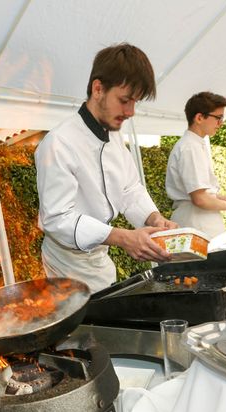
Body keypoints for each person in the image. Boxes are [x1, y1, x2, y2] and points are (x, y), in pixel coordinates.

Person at [35, 43, 177, 293]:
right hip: (66, 268)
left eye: (135, 102)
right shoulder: (59, 143)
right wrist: (122, 237)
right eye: (124, 100)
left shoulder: (113, 138)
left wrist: (154, 218)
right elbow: (57, 218)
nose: (131, 112)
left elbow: (130, 189)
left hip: (99, 259)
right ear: (98, 88)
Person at [165, 92, 226, 239]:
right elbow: (199, 199)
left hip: (200, 221)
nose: (221, 123)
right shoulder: (190, 147)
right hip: (197, 223)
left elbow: (204, 193)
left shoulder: (195, 144)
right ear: (199, 118)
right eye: (218, 117)